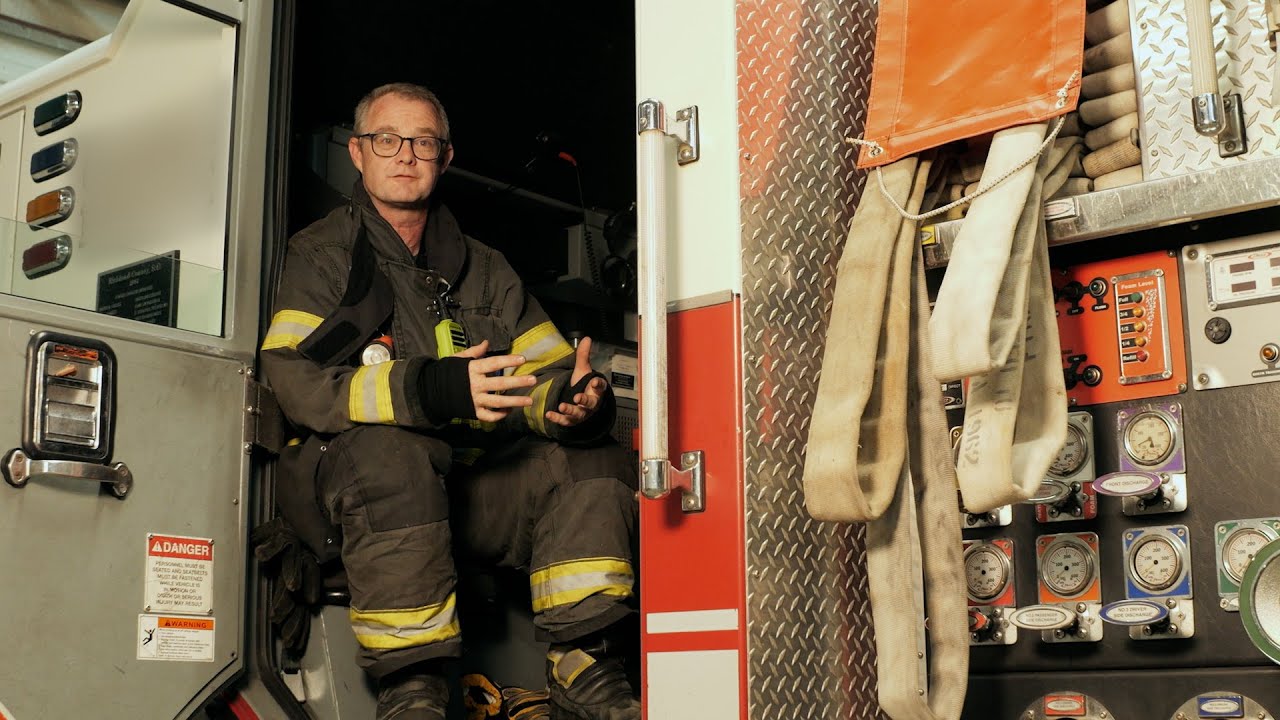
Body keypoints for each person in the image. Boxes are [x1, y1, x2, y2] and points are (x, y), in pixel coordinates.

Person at [260, 82, 640, 720]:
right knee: (392, 455)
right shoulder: (319, 255)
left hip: (467, 487)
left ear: (444, 156)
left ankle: (583, 663)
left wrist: (575, 401)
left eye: (423, 142)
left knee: (592, 460)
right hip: (351, 488)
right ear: (358, 153)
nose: (405, 154)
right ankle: (413, 688)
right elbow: (295, 384)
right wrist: (429, 388)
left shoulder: (487, 268)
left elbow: (544, 373)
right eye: (388, 139)